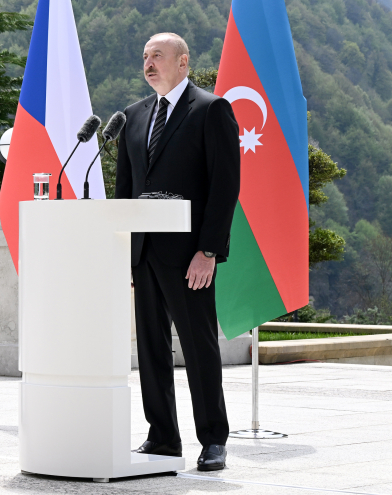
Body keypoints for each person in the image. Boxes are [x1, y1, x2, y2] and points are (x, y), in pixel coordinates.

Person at [115, 33, 240, 471]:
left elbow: (225, 187)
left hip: (190, 257)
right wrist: (126, 253)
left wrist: (209, 250)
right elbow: (125, 192)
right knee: (150, 349)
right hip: (144, 254)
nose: (149, 64)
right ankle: (163, 437)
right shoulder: (131, 116)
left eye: (158, 56)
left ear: (183, 62)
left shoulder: (210, 110)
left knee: (199, 346)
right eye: (145, 56)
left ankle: (213, 440)